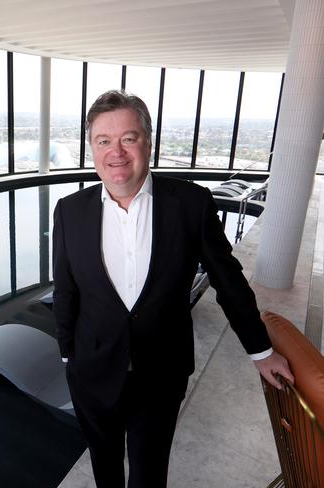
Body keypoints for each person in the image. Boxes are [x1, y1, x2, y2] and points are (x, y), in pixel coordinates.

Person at [52, 90, 294, 488]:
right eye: (104, 141)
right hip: (92, 372)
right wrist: (67, 355)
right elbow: (66, 290)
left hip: (161, 375)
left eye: (128, 138)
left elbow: (228, 279)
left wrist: (261, 351)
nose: (116, 152)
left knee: (148, 476)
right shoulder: (70, 210)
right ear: (92, 148)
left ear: (148, 142)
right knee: (105, 468)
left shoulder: (191, 203)